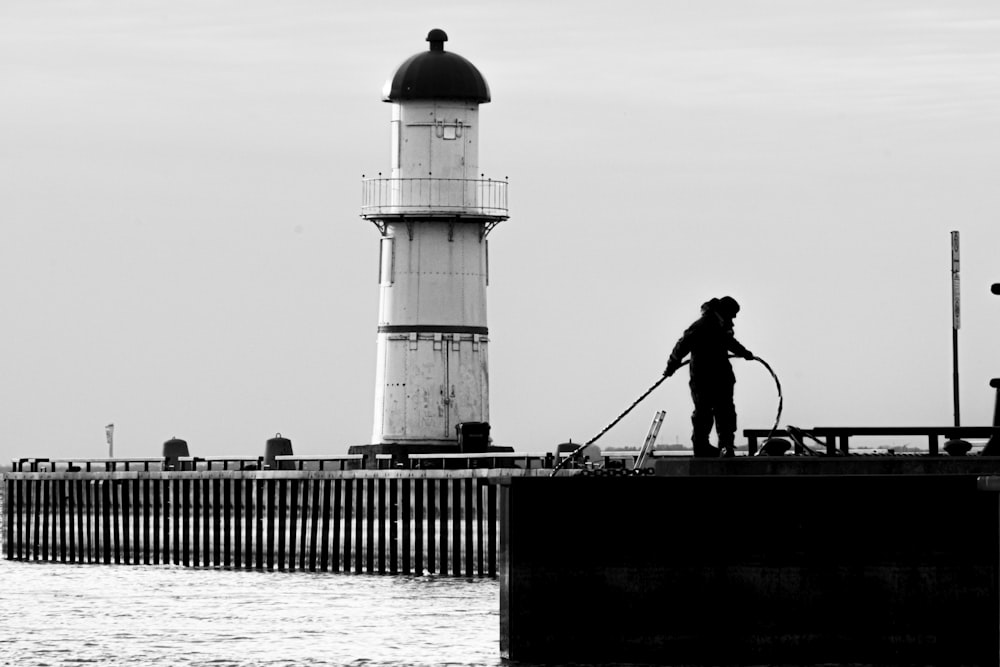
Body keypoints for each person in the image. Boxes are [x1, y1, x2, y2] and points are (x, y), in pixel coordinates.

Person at [663, 296, 754, 458]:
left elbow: (729, 342)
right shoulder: (701, 326)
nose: (734, 318)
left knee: (724, 412)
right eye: (733, 314)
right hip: (703, 378)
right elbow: (682, 345)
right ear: (725, 311)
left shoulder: (721, 325)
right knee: (704, 412)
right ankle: (702, 446)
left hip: (721, 377)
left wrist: (744, 353)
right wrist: (672, 365)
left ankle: (725, 446)